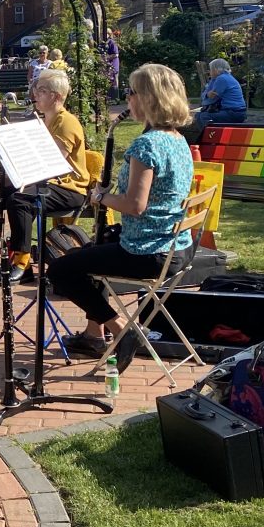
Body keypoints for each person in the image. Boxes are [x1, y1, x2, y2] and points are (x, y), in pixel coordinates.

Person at [49, 64, 195, 373]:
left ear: (149, 98)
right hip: (175, 246)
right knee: (94, 249)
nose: (127, 98)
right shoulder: (177, 139)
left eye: (131, 93)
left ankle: (123, 331)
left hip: (146, 250)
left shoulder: (146, 144)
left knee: (62, 269)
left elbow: (134, 205)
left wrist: (99, 197)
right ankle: (93, 335)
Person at [1, 69, 90, 283]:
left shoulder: (66, 122)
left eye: (41, 90)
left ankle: (23, 261)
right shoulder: (44, 120)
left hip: (69, 187)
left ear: (56, 96)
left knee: (20, 200)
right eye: (35, 89)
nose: (35, 94)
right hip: (49, 182)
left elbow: (53, 164)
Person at [195, 58, 247, 127]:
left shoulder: (221, 79)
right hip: (237, 112)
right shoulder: (225, 77)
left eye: (211, 69)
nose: (209, 72)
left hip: (234, 113)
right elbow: (207, 95)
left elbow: (210, 100)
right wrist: (207, 95)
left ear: (216, 70)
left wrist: (206, 95)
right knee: (199, 115)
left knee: (203, 116)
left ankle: (210, 137)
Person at [104, 28, 120, 100]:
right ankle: (110, 98)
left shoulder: (112, 42)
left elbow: (116, 54)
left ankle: (115, 98)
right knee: (108, 81)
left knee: (114, 81)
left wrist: (106, 57)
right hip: (107, 65)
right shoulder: (105, 42)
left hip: (113, 65)